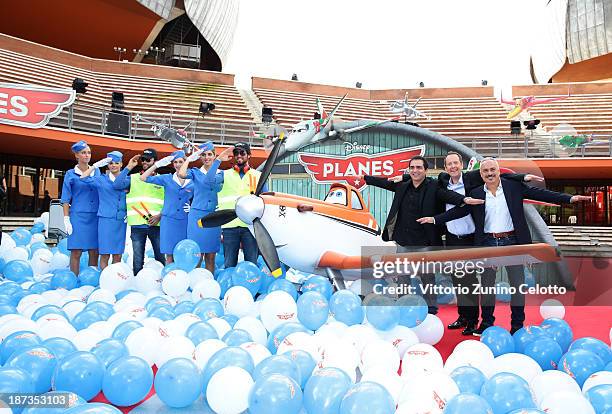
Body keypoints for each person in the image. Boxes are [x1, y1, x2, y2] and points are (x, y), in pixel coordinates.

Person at [417, 157, 591, 334]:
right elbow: (459, 210)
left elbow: (539, 194)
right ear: (481, 174)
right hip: (488, 243)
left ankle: (517, 326)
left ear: (498, 171)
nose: (490, 173)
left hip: (513, 243)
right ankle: (486, 323)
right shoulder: (476, 193)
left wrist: (569, 198)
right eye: (485, 171)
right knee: (486, 287)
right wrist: (434, 219)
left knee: (517, 286)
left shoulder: (512, 187)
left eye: (493, 170)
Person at [359, 155, 483, 314]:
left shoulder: (434, 186)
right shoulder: (402, 185)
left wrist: (464, 199)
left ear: (426, 170)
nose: (415, 170)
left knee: (427, 277)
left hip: (424, 243)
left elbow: (448, 196)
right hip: (403, 242)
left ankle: (430, 309)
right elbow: (385, 183)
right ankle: (404, 306)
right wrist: (365, 178)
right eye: (412, 168)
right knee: (403, 277)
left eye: (419, 167)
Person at [435, 152, 541, 335]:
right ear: (445, 168)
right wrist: (435, 220)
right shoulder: (442, 182)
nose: (452, 166)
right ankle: (466, 318)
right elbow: (420, 178)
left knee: (476, 283)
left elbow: (500, 174)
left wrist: (522, 176)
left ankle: (495, 323)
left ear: (462, 165)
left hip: (476, 238)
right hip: (454, 238)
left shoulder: (473, 179)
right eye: (449, 164)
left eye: (456, 163)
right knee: (461, 281)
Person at [178, 142, 233, 272]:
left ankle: (208, 283)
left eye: (209, 154)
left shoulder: (221, 174)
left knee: (211, 256)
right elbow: (181, 174)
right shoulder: (195, 172)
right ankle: (195, 283)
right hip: (196, 216)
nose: (207, 157)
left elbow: (209, 180)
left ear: (214, 156)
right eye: (203, 155)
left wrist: (218, 162)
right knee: (196, 255)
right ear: (200, 157)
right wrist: (189, 159)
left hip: (214, 217)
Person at [216, 142, 268, 268]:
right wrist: (218, 160)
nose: (239, 155)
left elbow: (266, 201)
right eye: (236, 153)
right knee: (229, 264)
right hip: (230, 226)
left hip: (250, 226)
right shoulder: (224, 174)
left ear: (249, 155)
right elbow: (207, 181)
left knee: (251, 264)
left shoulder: (258, 176)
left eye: (242, 153)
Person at [114, 148, 165, 274]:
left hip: (156, 225)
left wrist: (160, 216)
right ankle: (137, 284)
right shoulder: (133, 178)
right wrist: (128, 167)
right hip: (137, 226)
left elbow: (169, 202)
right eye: (143, 159)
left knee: (160, 258)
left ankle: (165, 283)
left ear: (155, 161)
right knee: (137, 261)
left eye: (148, 159)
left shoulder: (162, 180)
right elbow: (117, 185)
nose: (145, 162)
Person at [80, 151, 133, 269]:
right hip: (105, 220)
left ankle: (115, 279)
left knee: (118, 254)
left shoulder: (128, 180)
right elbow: (83, 178)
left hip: (120, 220)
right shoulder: (101, 179)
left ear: (121, 164)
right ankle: (105, 278)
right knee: (104, 254)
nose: (113, 165)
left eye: (116, 163)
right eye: (111, 163)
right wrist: (95, 166)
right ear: (107, 165)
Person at [140, 150, 193, 264]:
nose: (178, 165)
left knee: (183, 253)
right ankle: (170, 277)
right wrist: (157, 165)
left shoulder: (192, 179)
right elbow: (143, 178)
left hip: (185, 220)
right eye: (175, 162)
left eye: (181, 162)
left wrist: (192, 207)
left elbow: (201, 194)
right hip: (169, 220)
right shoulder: (167, 178)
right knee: (169, 255)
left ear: (186, 163)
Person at [60, 140, 100, 274]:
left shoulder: (97, 171)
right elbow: (65, 198)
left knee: (94, 250)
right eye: (83, 153)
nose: (87, 155)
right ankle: (74, 279)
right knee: (76, 251)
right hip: (78, 217)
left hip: (95, 216)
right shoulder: (70, 174)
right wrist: (66, 219)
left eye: (89, 152)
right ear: (76, 155)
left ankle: (91, 279)